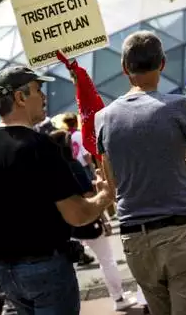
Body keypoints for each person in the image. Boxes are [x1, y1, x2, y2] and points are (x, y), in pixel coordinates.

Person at [0, 65, 113, 315]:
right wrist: (105, 197)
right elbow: (77, 214)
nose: (44, 97)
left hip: (6, 274)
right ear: (20, 98)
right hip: (47, 269)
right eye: (38, 90)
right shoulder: (40, 147)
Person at [97, 32, 186, 315]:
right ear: (162, 64)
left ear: (125, 68)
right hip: (179, 232)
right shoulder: (179, 106)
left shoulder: (104, 118)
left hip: (135, 240)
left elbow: (112, 185)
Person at [49, 130, 136, 312]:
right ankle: (118, 297)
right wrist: (102, 219)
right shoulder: (74, 166)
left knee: (69, 268)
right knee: (107, 260)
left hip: (67, 226)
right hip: (88, 221)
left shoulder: (53, 169)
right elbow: (89, 196)